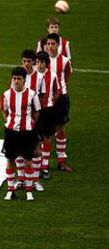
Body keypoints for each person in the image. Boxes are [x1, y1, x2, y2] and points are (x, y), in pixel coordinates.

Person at [1, 67, 41, 201]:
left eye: (19, 79)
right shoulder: (6, 94)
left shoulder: (32, 94)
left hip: (27, 132)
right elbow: (4, 110)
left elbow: (36, 111)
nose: (16, 81)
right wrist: (9, 122)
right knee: (10, 160)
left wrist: (31, 124)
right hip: (11, 132)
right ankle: (10, 190)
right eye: (14, 78)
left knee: (28, 162)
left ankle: (29, 191)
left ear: (24, 80)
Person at [14, 49, 44, 191]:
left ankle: (36, 180)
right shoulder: (17, 77)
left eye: (29, 61)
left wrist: (34, 119)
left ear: (34, 62)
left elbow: (42, 98)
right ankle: (21, 179)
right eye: (24, 61)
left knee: (36, 150)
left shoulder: (39, 77)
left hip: (34, 119)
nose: (26, 64)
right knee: (19, 150)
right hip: (19, 121)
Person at [46, 33, 73, 172]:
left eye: (53, 44)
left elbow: (67, 75)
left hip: (61, 98)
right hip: (46, 98)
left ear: (58, 45)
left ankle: (61, 161)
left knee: (60, 128)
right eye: (48, 44)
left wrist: (61, 90)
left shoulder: (64, 61)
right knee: (46, 131)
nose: (50, 47)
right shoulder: (42, 61)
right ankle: (44, 164)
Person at [36, 51, 61, 179]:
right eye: (38, 62)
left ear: (47, 64)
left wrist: (51, 101)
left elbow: (57, 91)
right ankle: (36, 166)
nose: (40, 65)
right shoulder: (31, 75)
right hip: (35, 111)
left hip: (48, 110)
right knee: (35, 140)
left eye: (42, 63)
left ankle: (44, 168)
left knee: (46, 138)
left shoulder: (52, 75)